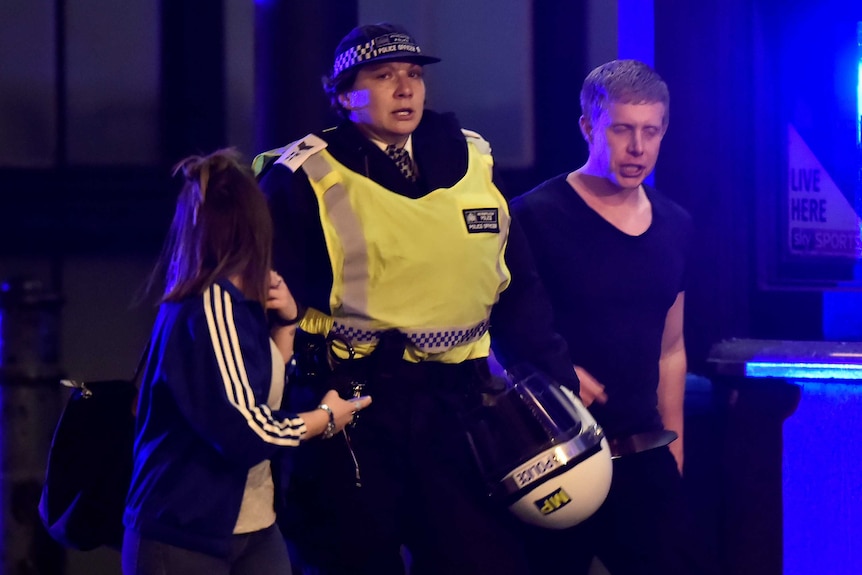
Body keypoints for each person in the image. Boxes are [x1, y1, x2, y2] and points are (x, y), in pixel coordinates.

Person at [255, 22, 581, 575]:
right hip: (354, 410)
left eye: (413, 75)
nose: (405, 88)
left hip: (459, 408)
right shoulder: (302, 176)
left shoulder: (473, 160)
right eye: (383, 76)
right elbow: (258, 302)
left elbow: (518, 288)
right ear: (341, 94)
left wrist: (558, 386)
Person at [121, 149, 370, 575]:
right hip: (186, 532)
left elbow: (263, 394)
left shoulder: (240, 303)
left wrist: (287, 322)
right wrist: (325, 418)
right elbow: (246, 429)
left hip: (254, 525)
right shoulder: (207, 305)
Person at [511, 59, 714, 575]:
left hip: (642, 449)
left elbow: (672, 348)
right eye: (622, 129)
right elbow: (488, 332)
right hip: (553, 453)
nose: (638, 148)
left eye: (651, 132)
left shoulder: (676, 225)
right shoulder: (534, 216)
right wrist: (548, 379)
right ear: (589, 126)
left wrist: (676, 448)